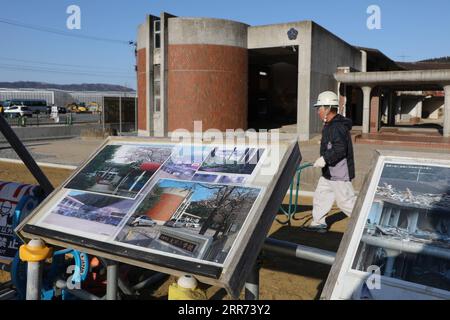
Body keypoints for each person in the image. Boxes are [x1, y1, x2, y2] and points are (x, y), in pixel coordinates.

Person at [303, 91, 357, 233]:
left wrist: (325, 158)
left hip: (339, 172)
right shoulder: (331, 124)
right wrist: (325, 143)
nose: (318, 112)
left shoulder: (336, 126)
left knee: (346, 202)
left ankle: (367, 222)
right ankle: (318, 223)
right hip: (329, 172)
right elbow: (335, 143)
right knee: (321, 195)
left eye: (319, 108)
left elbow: (340, 149)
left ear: (327, 108)